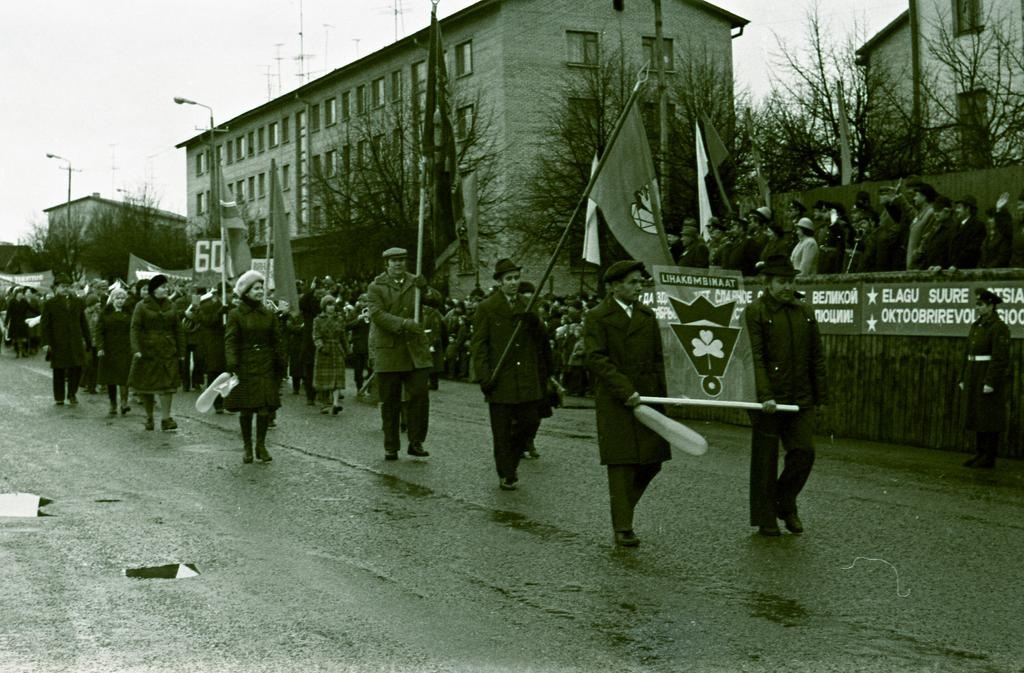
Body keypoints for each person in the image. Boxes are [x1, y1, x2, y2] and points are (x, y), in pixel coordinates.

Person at [583, 260, 671, 547]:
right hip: (617, 400)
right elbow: (597, 359)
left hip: (648, 398)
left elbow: (658, 360)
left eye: (640, 282)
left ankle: (624, 508)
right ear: (613, 286)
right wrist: (626, 391)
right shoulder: (597, 316)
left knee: (652, 461)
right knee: (622, 464)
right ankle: (623, 526)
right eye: (633, 282)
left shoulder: (646, 316)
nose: (639, 287)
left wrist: (663, 397)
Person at [745, 255, 828, 536]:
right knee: (765, 460)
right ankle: (766, 517)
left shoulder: (804, 311)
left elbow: (816, 357)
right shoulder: (755, 311)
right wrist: (764, 395)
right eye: (781, 281)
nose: (787, 287)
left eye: (791, 281)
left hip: (800, 398)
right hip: (767, 400)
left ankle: (784, 501)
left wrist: (820, 396)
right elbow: (755, 357)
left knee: (804, 452)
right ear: (767, 283)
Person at [471, 259, 550, 490]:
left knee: (530, 422)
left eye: (516, 278)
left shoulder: (529, 304)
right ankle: (507, 473)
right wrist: (484, 375)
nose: (513, 283)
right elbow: (479, 344)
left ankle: (512, 461)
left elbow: (541, 340)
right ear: (499, 282)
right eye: (508, 279)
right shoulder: (486, 307)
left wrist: (535, 323)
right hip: (500, 378)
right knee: (502, 431)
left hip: (526, 377)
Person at [366, 247, 433, 461]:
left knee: (420, 397)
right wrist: (404, 324)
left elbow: (435, 301)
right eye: (394, 261)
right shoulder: (376, 287)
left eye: (402, 260)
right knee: (391, 402)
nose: (399, 264)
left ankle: (416, 442)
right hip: (389, 351)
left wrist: (427, 290)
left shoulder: (416, 281)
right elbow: (377, 315)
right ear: (386, 264)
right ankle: (391, 445)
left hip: (415, 351)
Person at [224, 270, 286, 463]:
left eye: (261, 288)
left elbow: (277, 340)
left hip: (266, 364)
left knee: (264, 408)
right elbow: (231, 340)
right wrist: (232, 362)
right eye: (256, 288)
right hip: (244, 365)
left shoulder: (268, 314)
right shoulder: (235, 314)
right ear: (246, 291)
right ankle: (247, 447)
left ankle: (261, 445)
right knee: (247, 409)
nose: (260, 291)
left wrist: (282, 363)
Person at [958, 289, 1010, 469]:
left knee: (989, 417)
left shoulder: (999, 327)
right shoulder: (977, 325)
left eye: (981, 305)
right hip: (974, 374)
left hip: (986, 375)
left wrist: (990, 381)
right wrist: (963, 376)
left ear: (991, 306)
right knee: (978, 415)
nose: (978, 308)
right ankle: (980, 453)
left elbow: (1000, 358)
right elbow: (968, 352)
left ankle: (989, 457)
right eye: (977, 305)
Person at [129, 274, 185, 431]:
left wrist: (181, 351)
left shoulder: (171, 305)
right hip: (147, 351)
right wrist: (136, 349)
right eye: (162, 287)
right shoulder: (141, 306)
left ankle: (166, 419)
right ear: (154, 290)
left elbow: (178, 330)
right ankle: (149, 416)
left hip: (168, 350)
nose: (166, 289)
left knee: (168, 385)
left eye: (166, 287)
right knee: (146, 386)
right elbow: (134, 329)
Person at [40, 274, 91, 406]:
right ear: (56, 288)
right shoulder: (50, 303)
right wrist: (46, 342)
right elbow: (45, 325)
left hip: (75, 341)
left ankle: (72, 394)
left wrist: (88, 339)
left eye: (68, 286)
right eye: (63, 286)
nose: (65, 289)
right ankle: (59, 397)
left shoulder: (78, 302)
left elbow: (83, 322)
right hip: (58, 342)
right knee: (59, 370)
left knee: (77, 368)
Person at [94, 286, 133, 416]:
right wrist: (100, 347)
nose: (121, 301)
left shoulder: (129, 312)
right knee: (111, 378)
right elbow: (99, 331)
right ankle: (112, 404)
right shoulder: (105, 313)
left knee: (124, 377)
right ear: (113, 299)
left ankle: (124, 402)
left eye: (123, 298)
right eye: (118, 298)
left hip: (125, 348)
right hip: (109, 349)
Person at [312, 294, 349, 415]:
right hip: (324, 352)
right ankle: (324, 404)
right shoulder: (318, 320)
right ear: (324, 306)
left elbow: (343, 336)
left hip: (337, 350)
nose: (331, 307)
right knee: (324, 379)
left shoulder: (339, 319)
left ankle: (335, 403)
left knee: (337, 378)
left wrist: (347, 350)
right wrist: (321, 347)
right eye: (329, 305)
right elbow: (316, 336)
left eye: (333, 304)